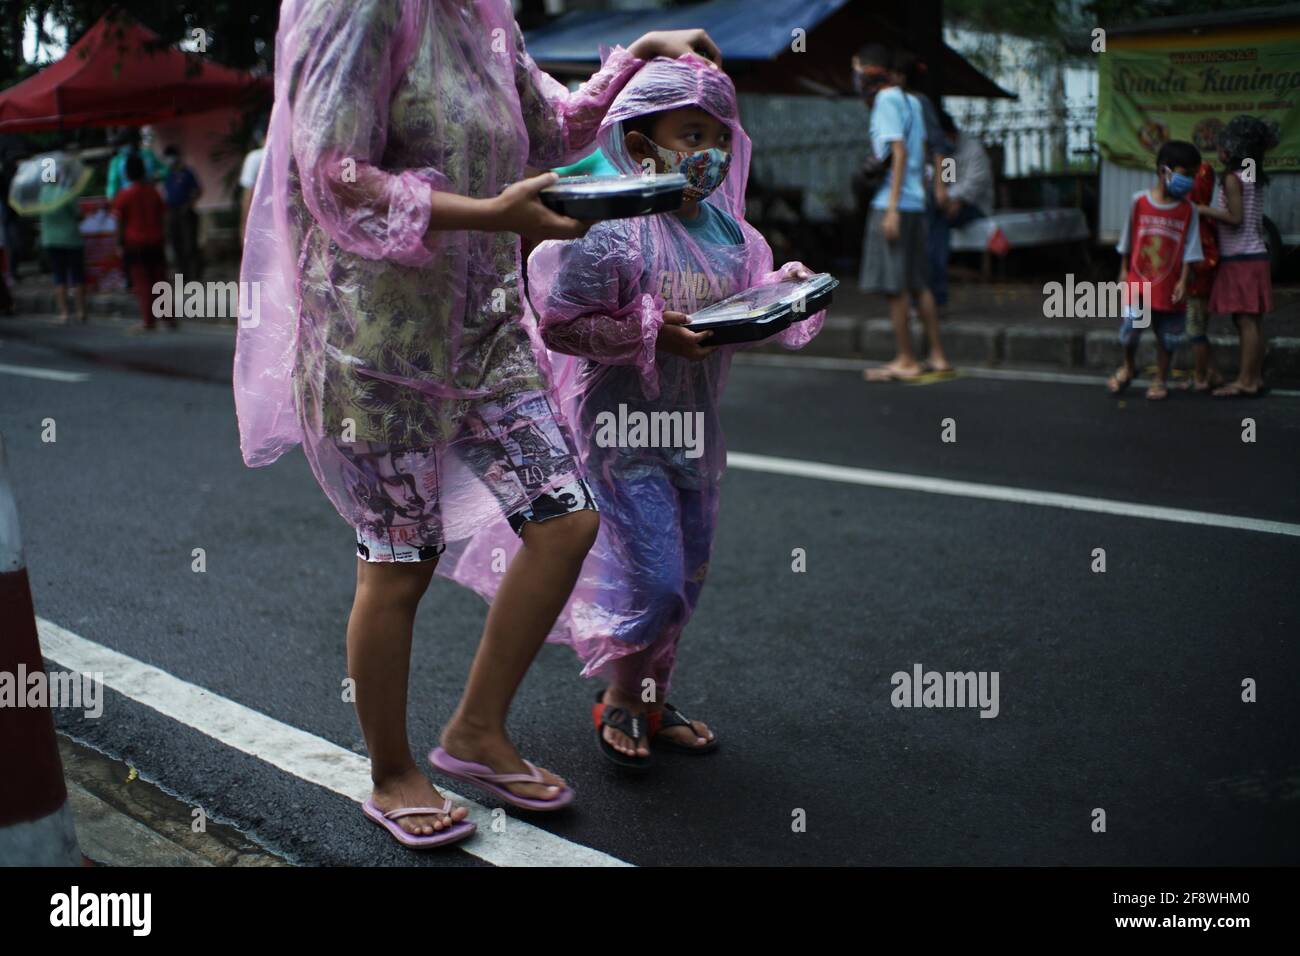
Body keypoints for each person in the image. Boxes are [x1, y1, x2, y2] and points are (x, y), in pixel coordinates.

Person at [233, 0, 721, 848]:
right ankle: (391, 772)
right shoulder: (361, 9)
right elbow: (334, 174)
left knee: (566, 519)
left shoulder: (485, 11)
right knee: (399, 562)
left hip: (486, 333)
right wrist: (494, 215)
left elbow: (551, 127)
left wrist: (639, 53)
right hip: (376, 345)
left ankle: (475, 732)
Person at [482, 54, 824, 769]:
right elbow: (560, 325)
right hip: (618, 435)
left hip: (694, 434)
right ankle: (622, 699)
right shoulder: (612, 232)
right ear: (641, 145)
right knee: (658, 579)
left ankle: (651, 697)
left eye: (721, 137)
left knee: (686, 579)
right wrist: (648, 329)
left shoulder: (735, 235)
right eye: (692, 134)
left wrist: (787, 291)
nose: (711, 153)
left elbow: (756, 299)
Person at [854, 44, 951, 381]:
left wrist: (891, 209)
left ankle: (906, 359)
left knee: (896, 287)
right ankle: (937, 355)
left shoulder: (885, 100)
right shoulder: (913, 101)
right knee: (919, 283)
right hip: (915, 201)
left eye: (857, 68)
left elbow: (897, 150)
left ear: (871, 71)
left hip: (891, 202)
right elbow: (921, 151)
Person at [1107, 140, 1203, 401]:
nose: (1190, 181)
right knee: (1129, 332)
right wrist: (1123, 270)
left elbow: (1190, 247)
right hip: (1139, 283)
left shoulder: (1188, 210)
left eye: (1194, 176)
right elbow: (1128, 240)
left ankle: (1160, 377)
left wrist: (1183, 281)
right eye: (1186, 175)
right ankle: (1129, 366)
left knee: (1167, 337)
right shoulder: (1139, 202)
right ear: (1165, 171)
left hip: (1170, 285)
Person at [1197, 116, 1278, 398]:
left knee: (1244, 320)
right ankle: (1254, 378)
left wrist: (1203, 210)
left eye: (1221, 146)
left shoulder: (1233, 178)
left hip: (1241, 258)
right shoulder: (1252, 173)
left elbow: (1235, 218)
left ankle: (1245, 381)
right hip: (1255, 255)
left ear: (1231, 150)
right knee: (1251, 321)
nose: (1218, 151)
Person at [928, 111, 992, 312]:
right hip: (951, 204)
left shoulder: (973, 149)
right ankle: (932, 286)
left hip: (975, 206)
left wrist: (956, 200)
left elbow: (976, 183)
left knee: (939, 222)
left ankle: (937, 291)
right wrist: (947, 199)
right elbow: (947, 183)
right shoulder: (947, 153)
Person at [111, 154, 170, 333]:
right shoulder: (153, 192)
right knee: (160, 279)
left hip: (135, 243)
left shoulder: (124, 195)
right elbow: (163, 216)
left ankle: (148, 320)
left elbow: (120, 222)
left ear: (127, 173)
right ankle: (168, 318)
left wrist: (119, 243)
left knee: (142, 282)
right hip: (156, 240)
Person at [1182, 159, 1221, 391]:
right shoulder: (1199, 217)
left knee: (1195, 332)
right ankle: (1212, 372)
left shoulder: (1200, 220)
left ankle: (1201, 377)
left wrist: (1190, 272)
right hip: (1197, 287)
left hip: (1198, 288)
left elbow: (1209, 258)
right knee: (1198, 331)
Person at [38, 163, 87, 325]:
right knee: (77, 275)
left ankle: (64, 313)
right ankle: (80, 312)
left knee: (59, 276)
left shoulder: (42, 195)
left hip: (51, 240)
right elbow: (77, 215)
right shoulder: (66, 193)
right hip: (71, 239)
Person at [162, 145, 203, 280]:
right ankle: (183, 275)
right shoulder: (168, 174)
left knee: (189, 244)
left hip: (185, 211)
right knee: (176, 244)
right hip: (172, 211)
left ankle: (195, 274)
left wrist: (188, 205)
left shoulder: (187, 172)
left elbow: (198, 190)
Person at [105, 129, 163, 200]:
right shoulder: (117, 161)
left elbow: (164, 169)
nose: (124, 147)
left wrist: (157, 176)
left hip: (148, 195)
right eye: (121, 144)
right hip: (129, 198)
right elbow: (113, 184)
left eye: (125, 143)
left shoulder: (147, 155)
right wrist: (113, 198)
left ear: (134, 142)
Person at [238, 120, 266, 243]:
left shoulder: (254, 158)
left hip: (262, 222)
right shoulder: (289, 155)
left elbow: (247, 196)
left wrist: (243, 226)